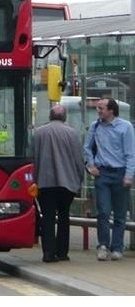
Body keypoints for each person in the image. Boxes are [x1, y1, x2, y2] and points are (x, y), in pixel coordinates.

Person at [84, 97, 135, 261]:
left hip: (120, 173)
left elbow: (130, 153)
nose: (98, 111)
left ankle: (117, 247)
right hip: (102, 173)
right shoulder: (95, 126)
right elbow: (87, 147)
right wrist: (91, 166)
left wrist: (129, 175)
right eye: (98, 108)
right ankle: (103, 246)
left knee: (120, 214)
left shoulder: (125, 127)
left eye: (101, 108)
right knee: (103, 211)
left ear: (111, 110)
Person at [33, 104, 84, 263]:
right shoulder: (72, 133)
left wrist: (34, 180)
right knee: (64, 217)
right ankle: (62, 252)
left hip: (45, 183)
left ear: (50, 116)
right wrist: (79, 180)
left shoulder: (39, 133)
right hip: (67, 183)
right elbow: (78, 160)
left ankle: (48, 253)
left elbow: (34, 158)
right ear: (65, 117)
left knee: (47, 217)